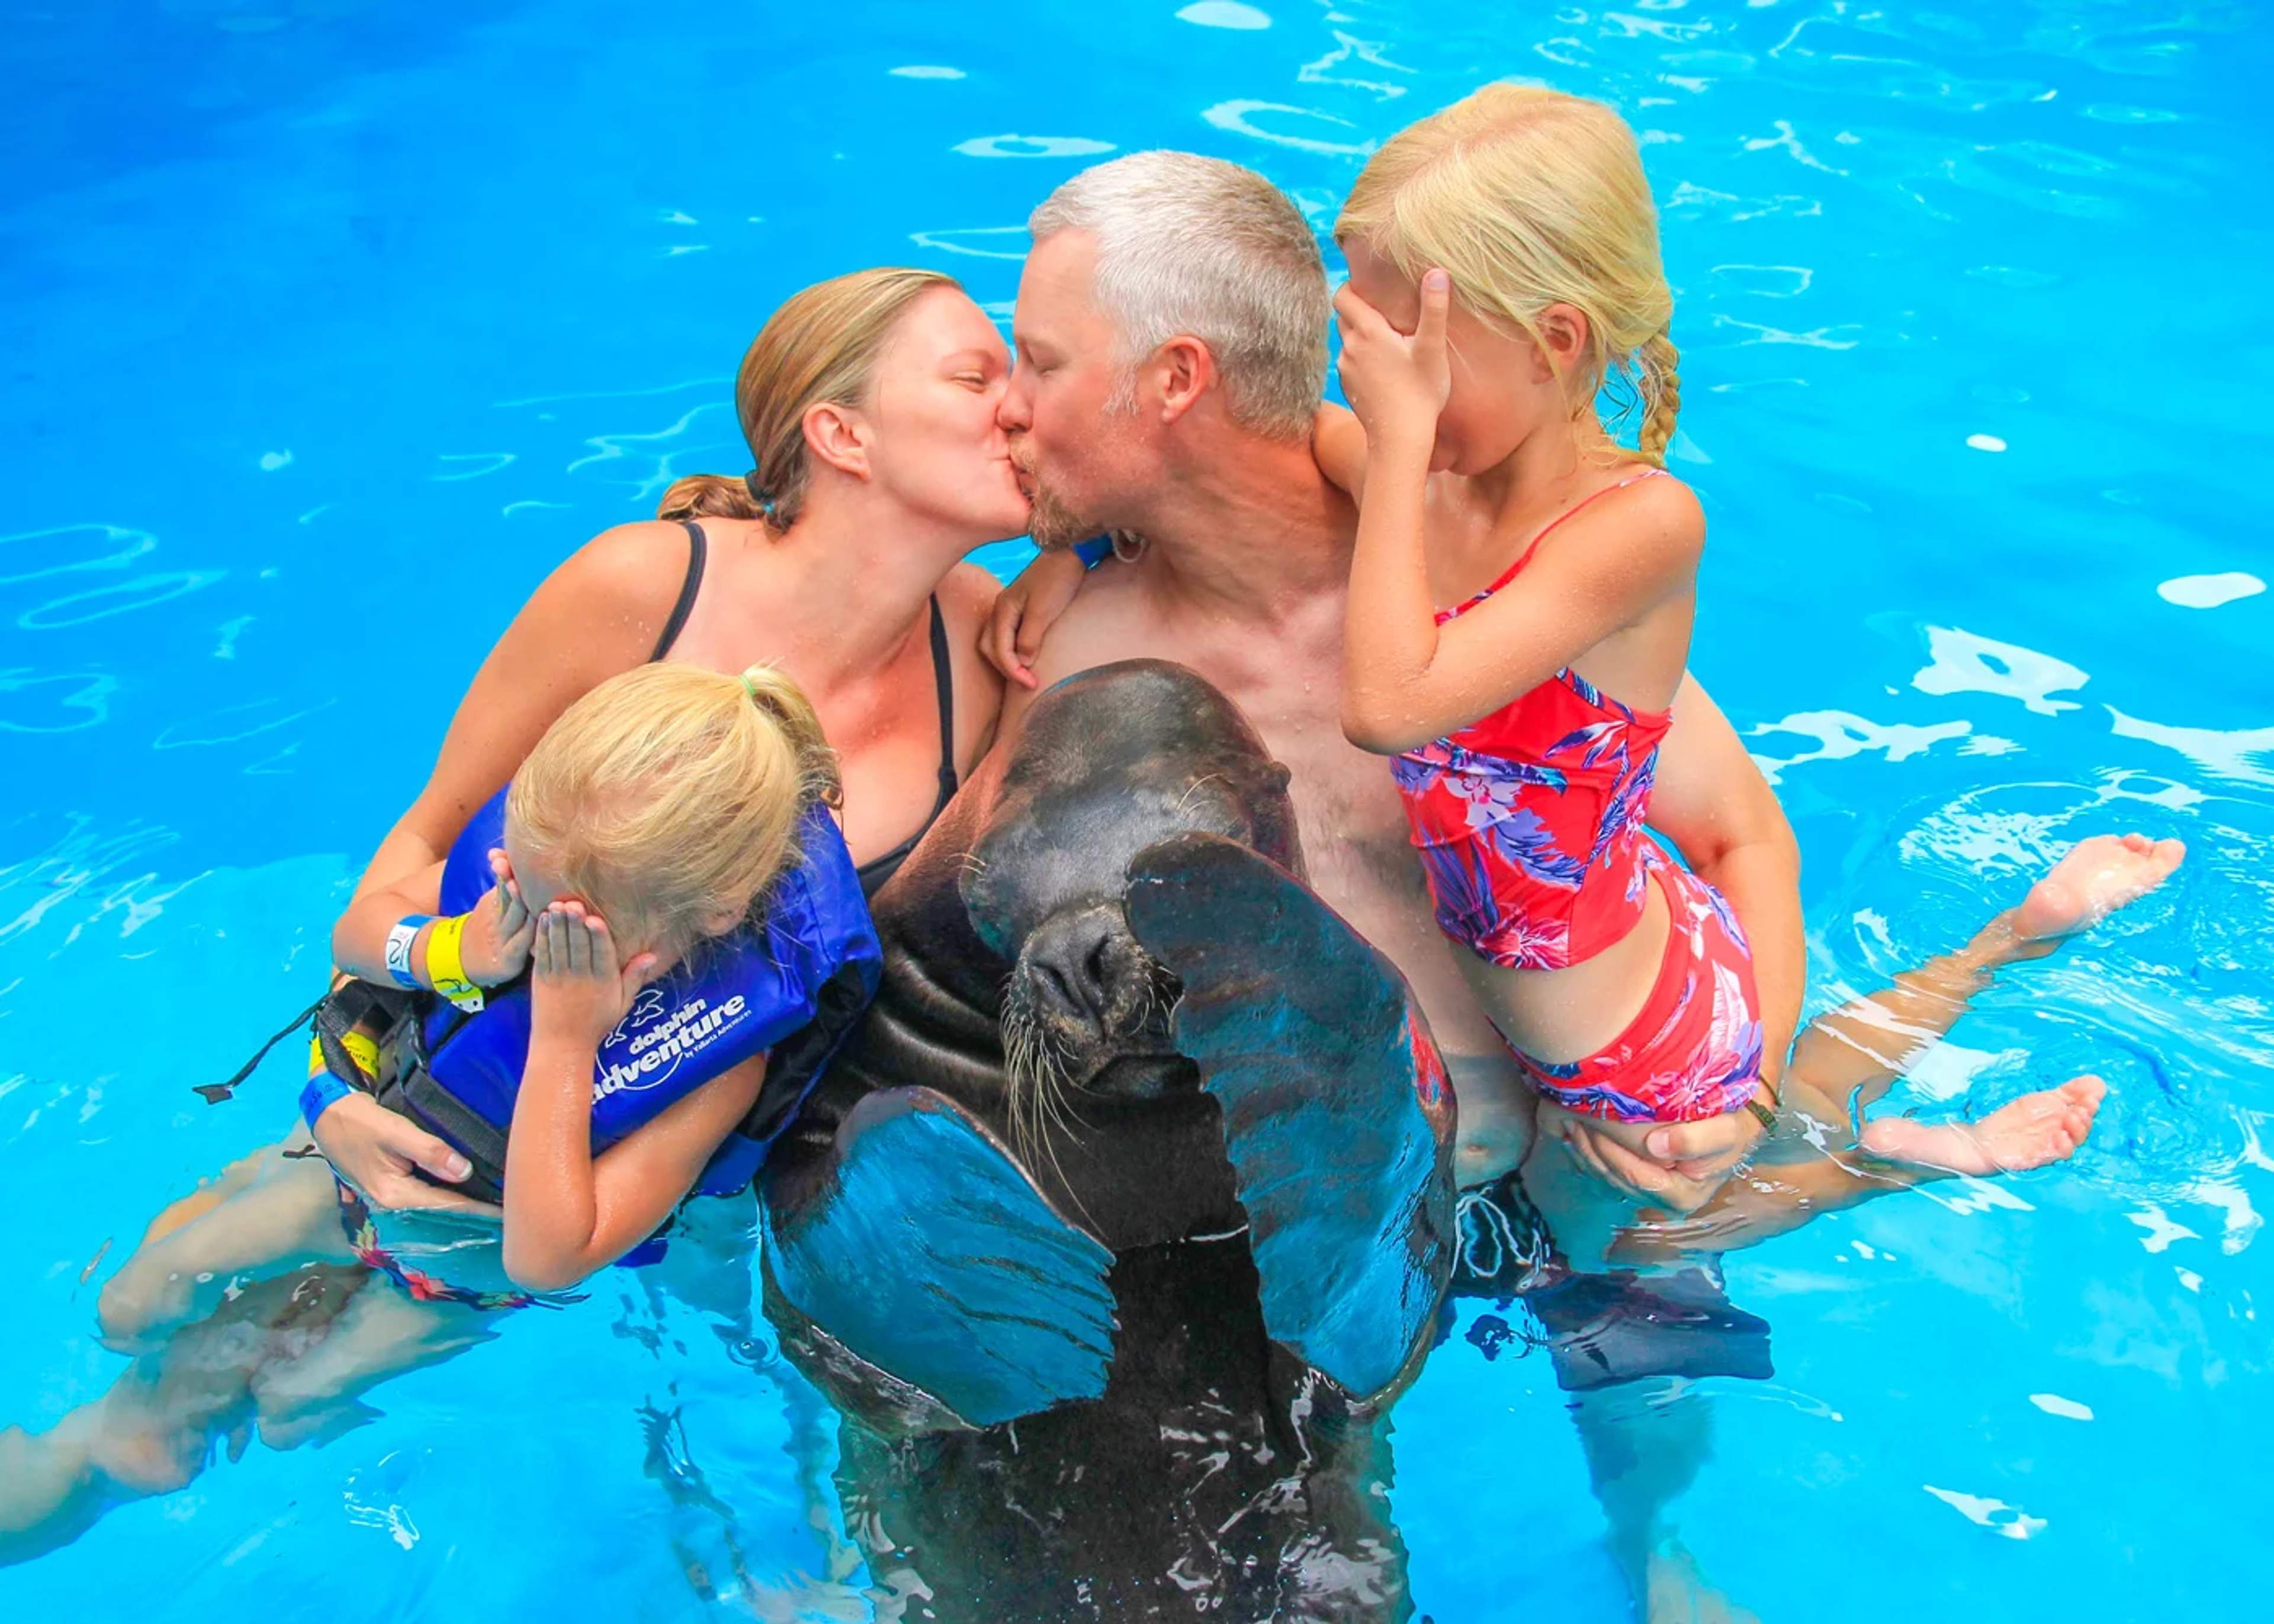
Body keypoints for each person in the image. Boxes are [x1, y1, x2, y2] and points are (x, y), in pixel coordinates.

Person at [0, 662, 879, 1562]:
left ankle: (168, 1420)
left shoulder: (720, 1065)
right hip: (339, 1171)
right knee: (131, 1303)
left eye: (562, 916)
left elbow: (547, 1256)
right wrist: (456, 947)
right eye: (517, 883)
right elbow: (352, 934)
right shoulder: (515, 882)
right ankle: (154, 1393)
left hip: (452, 1275)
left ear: (711, 910)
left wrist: (567, 1042)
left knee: (288, 1411)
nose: (531, 918)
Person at [313, 266, 1030, 1215]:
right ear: (842, 434)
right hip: (426, 1108)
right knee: (144, 1316)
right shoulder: (640, 593)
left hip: (617, 1200)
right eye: (975, 380)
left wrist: (1076, 562)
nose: (1021, 406)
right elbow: (420, 854)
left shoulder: (989, 653)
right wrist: (330, 1096)